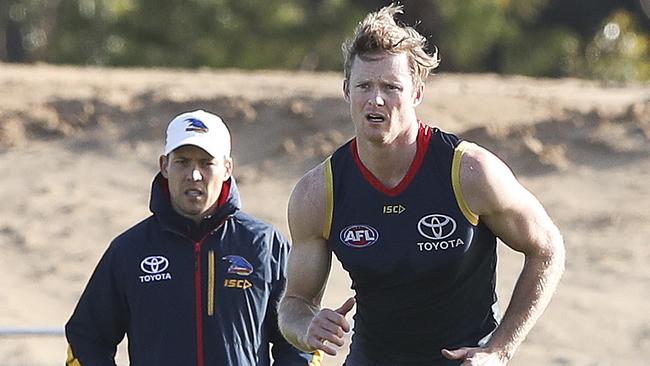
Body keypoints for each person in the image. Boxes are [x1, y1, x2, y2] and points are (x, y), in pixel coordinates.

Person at [278, 4, 565, 366]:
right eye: (364, 85)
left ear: (416, 93)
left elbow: (548, 249)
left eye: (391, 87)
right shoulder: (318, 192)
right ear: (347, 90)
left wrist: (499, 350)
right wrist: (307, 327)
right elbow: (294, 305)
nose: (376, 99)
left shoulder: (470, 172)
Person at [65, 110, 321, 366]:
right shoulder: (129, 250)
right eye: (183, 161)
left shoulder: (264, 245)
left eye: (206, 163)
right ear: (164, 165)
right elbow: (86, 339)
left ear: (227, 168)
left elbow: (300, 336)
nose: (194, 175)